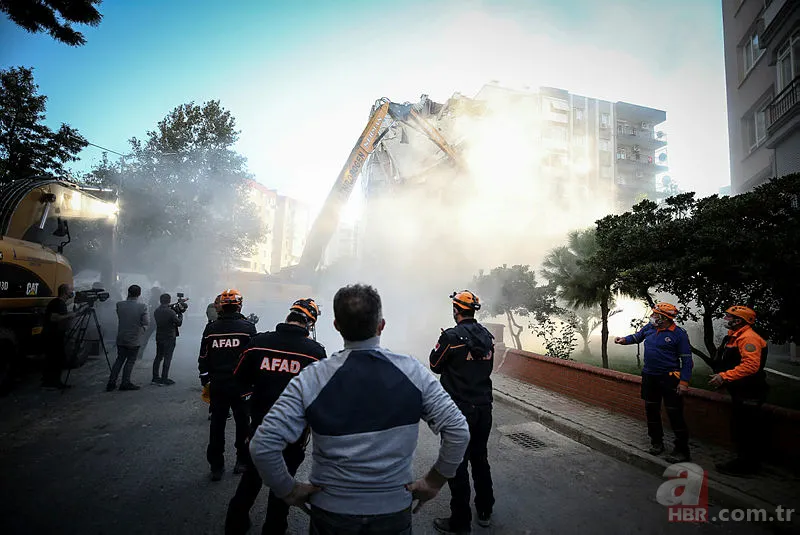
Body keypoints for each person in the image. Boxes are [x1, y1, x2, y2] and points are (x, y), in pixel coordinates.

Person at [249, 284, 470, 535]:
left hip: (331, 513)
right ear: (381, 325)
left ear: (336, 326)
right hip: (393, 511)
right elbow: (458, 430)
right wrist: (433, 481)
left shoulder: (312, 378)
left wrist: (287, 489)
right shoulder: (413, 372)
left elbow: (263, 445)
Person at [226, 298, 327, 535]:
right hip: (294, 433)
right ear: (310, 323)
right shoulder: (315, 352)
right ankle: (274, 529)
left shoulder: (258, 343)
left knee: (252, 477)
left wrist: (252, 404)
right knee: (283, 485)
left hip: (260, 428)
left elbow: (237, 381)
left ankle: (235, 525)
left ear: (289, 315)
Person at [429, 290, 496, 534]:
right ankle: (485, 509)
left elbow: (435, 365)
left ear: (456, 310)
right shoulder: (487, 337)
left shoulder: (451, 337)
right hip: (484, 408)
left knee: (457, 464)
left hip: (457, 411)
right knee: (480, 459)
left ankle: (460, 521)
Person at [614, 302, 693, 463]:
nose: (652, 317)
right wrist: (624, 340)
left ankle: (682, 450)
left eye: (655, 315)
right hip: (650, 376)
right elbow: (637, 337)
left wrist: (684, 381)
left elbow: (687, 360)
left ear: (664, 318)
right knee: (651, 409)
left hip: (670, 378)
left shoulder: (679, 334)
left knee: (674, 413)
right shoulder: (650, 328)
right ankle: (656, 443)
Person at [199, 288, 257, 481]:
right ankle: (242, 461)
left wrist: (205, 379)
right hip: (241, 385)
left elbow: (204, 356)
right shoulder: (248, 328)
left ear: (221, 307)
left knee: (217, 424)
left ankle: (216, 466)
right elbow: (253, 357)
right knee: (243, 424)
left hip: (218, 384)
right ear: (239, 305)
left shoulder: (211, 328)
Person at [709, 305, 769, 476]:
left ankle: (748, 467)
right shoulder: (734, 336)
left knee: (747, 429)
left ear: (739, 320)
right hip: (740, 390)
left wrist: (724, 376)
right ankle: (743, 462)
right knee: (740, 427)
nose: (726, 320)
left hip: (750, 390)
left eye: (729, 317)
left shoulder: (748, 338)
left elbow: (751, 366)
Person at [107, 285, 149, 391]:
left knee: (119, 359)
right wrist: (142, 331)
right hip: (134, 338)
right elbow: (146, 322)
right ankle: (125, 383)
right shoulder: (142, 306)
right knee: (130, 361)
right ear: (139, 294)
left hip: (121, 336)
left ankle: (111, 382)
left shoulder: (119, 305)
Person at [41, 283, 76, 389]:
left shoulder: (58, 303)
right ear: (65, 291)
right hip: (53, 335)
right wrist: (70, 315)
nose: (72, 292)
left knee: (53, 358)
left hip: (54, 334)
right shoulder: (58, 303)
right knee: (56, 358)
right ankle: (53, 383)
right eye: (70, 290)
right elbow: (54, 318)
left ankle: (49, 381)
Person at [152, 293, 183, 386]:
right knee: (167, 358)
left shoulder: (157, 310)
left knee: (158, 357)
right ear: (169, 300)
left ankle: (155, 377)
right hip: (169, 337)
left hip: (159, 336)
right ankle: (164, 378)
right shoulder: (170, 312)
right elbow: (179, 323)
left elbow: (165, 307)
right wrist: (180, 314)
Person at [137, 286, 162, 360]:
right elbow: (152, 311)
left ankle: (139, 354)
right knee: (145, 338)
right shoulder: (154, 300)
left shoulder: (154, 300)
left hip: (153, 321)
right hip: (153, 322)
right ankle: (139, 354)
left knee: (145, 338)